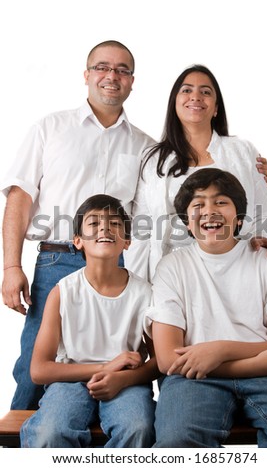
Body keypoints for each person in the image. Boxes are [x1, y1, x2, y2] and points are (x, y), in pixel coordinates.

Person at [0, 40, 155, 410]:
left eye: (122, 69)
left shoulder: (146, 146)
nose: (111, 76)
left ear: (132, 81)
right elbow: (18, 199)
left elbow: (174, 194)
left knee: (120, 361)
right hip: (56, 261)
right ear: (87, 75)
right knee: (32, 366)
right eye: (102, 67)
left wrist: (249, 169)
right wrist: (10, 266)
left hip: (115, 267)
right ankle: (23, 449)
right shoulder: (50, 128)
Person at [145, 168, 267, 448]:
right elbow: (168, 359)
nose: (209, 211)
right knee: (177, 439)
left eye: (221, 202)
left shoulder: (266, 260)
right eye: (198, 204)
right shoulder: (172, 266)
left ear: (239, 217)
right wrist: (254, 361)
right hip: (195, 378)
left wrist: (219, 350)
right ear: (186, 221)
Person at [20, 194, 158, 448]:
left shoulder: (145, 293)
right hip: (68, 381)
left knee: (138, 427)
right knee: (50, 432)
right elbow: (39, 370)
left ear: (127, 241)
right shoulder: (63, 292)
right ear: (78, 241)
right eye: (94, 223)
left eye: (115, 224)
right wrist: (107, 367)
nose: (105, 228)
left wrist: (124, 377)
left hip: (125, 383)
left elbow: (160, 361)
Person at [124, 64, 267, 282]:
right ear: (175, 103)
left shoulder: (243, 151)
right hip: (172, 273)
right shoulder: (154, 159)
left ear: (216, 107)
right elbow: (141, 228)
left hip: (234, 268)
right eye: (187, 90)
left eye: (206, 92)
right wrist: (138, 286)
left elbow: (262, 213)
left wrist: (262, 258)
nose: (196, 96)